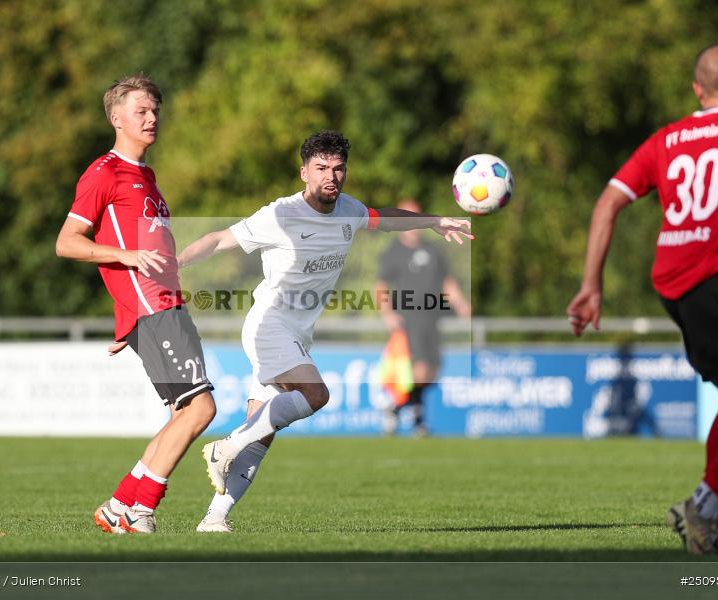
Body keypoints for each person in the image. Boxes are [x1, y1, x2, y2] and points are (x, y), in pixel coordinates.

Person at [177, 130, 473, 532]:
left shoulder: (349, 209)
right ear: (304, 172)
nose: (330, 177)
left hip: (297, 334)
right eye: (321, 168)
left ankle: (213, 518)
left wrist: (434, 220)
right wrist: (174, 265)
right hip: (269, 326)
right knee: (316, 394)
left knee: (260, 435)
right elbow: (217, 239)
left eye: (338, 169)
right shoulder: (280, 215)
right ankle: (224, 446)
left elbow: (386, 218)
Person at [567, 45, 718, 554]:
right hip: (717, 276)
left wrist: (591, 284)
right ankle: (703, 504)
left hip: (672, 280)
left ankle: (707, 520)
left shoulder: (667, 139)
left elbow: (608, 202)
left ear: (697, 89)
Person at [55, 74, 216, 534]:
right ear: (116, 118)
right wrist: (130, 280)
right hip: (153, 308)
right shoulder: (104, 172)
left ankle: (121, 506)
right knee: (200, 409)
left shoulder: (145, 174)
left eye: (154, 111)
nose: (151, 119)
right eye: (141, 111)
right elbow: (68, 242)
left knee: (184, 413)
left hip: (163, 306)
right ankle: (136, 507)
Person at [376, 198, 472, 437]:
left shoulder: (433, 249)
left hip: (432, 317)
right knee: (418, 369)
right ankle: (418, 420)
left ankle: (397, 408)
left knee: (433, 370)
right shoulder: (393, 252)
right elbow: (380, 286)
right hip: (408, 318)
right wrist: (387, 314)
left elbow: (446, 281)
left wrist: (460, 303)